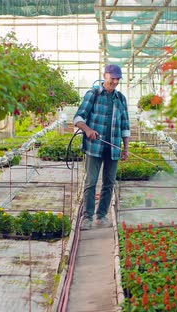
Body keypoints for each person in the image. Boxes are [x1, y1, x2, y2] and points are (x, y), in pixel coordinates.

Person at [73, 64, 130, 230]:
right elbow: (78, 118)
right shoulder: (93, 95)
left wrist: (125, 148)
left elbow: (125, 125)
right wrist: (88, 130)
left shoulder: (121, 99)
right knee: (90, 182)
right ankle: (87, 218)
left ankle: (101, 216)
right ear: (104, 75)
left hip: (113, 148)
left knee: (109, 183)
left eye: (118, 78)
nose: (115, 81)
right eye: (112, 78)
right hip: (94, 147)